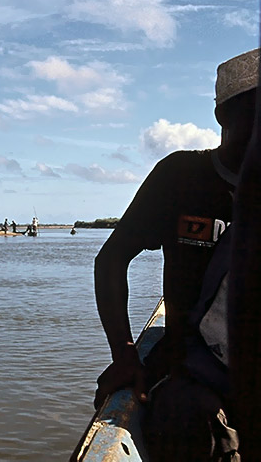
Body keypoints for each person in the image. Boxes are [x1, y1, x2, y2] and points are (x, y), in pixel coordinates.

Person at [93, 48, 259, 460]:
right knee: (188, 422)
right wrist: (125, 354)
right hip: (193, 367)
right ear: (226, 117)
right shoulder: (182, 177)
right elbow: (112, 259)